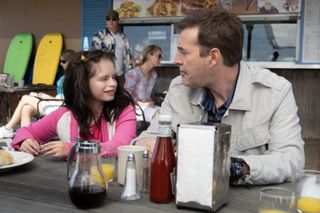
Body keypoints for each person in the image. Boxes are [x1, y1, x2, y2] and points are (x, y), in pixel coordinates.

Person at [136, 9, 304, 185]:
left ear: (213, 57)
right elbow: (144, 140)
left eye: (183, 52)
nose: (176, 60)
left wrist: (231, 167)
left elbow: (291, 160)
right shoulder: (179, 88)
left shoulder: (276, 92)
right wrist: (152, 146)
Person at [11, 50, 136, 158]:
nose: (113, 83)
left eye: (113, 77)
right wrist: (25, 141)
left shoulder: (124, 110)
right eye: (104, 79)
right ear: (83, 83)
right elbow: (25, 132)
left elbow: (120, 146)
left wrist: (73, 149)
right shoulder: (65, 115)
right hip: (73, 181)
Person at [0, 49, 76, 139]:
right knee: (26, 108)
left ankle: (8, 128)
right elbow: (60, 98)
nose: (60, 64)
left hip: (63, 109)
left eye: (63, 61)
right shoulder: (63, 78)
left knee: (25, 98)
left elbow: (69, 101)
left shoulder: (73, 79)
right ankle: (26, 139)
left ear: (71, 62)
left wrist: (46, 97)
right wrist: (45, 96)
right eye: (60, 61)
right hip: (57, 104)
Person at [92, 10, 135, 85]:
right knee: (107, 95)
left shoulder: (123, 37)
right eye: (108, 19)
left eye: (114, 19)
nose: (111, 21)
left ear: (118, 21)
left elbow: (125, 53)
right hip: (106, 74)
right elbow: (95, 54)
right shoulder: (100, 35)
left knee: (121, 96)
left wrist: (131, 57)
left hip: (121, 74)